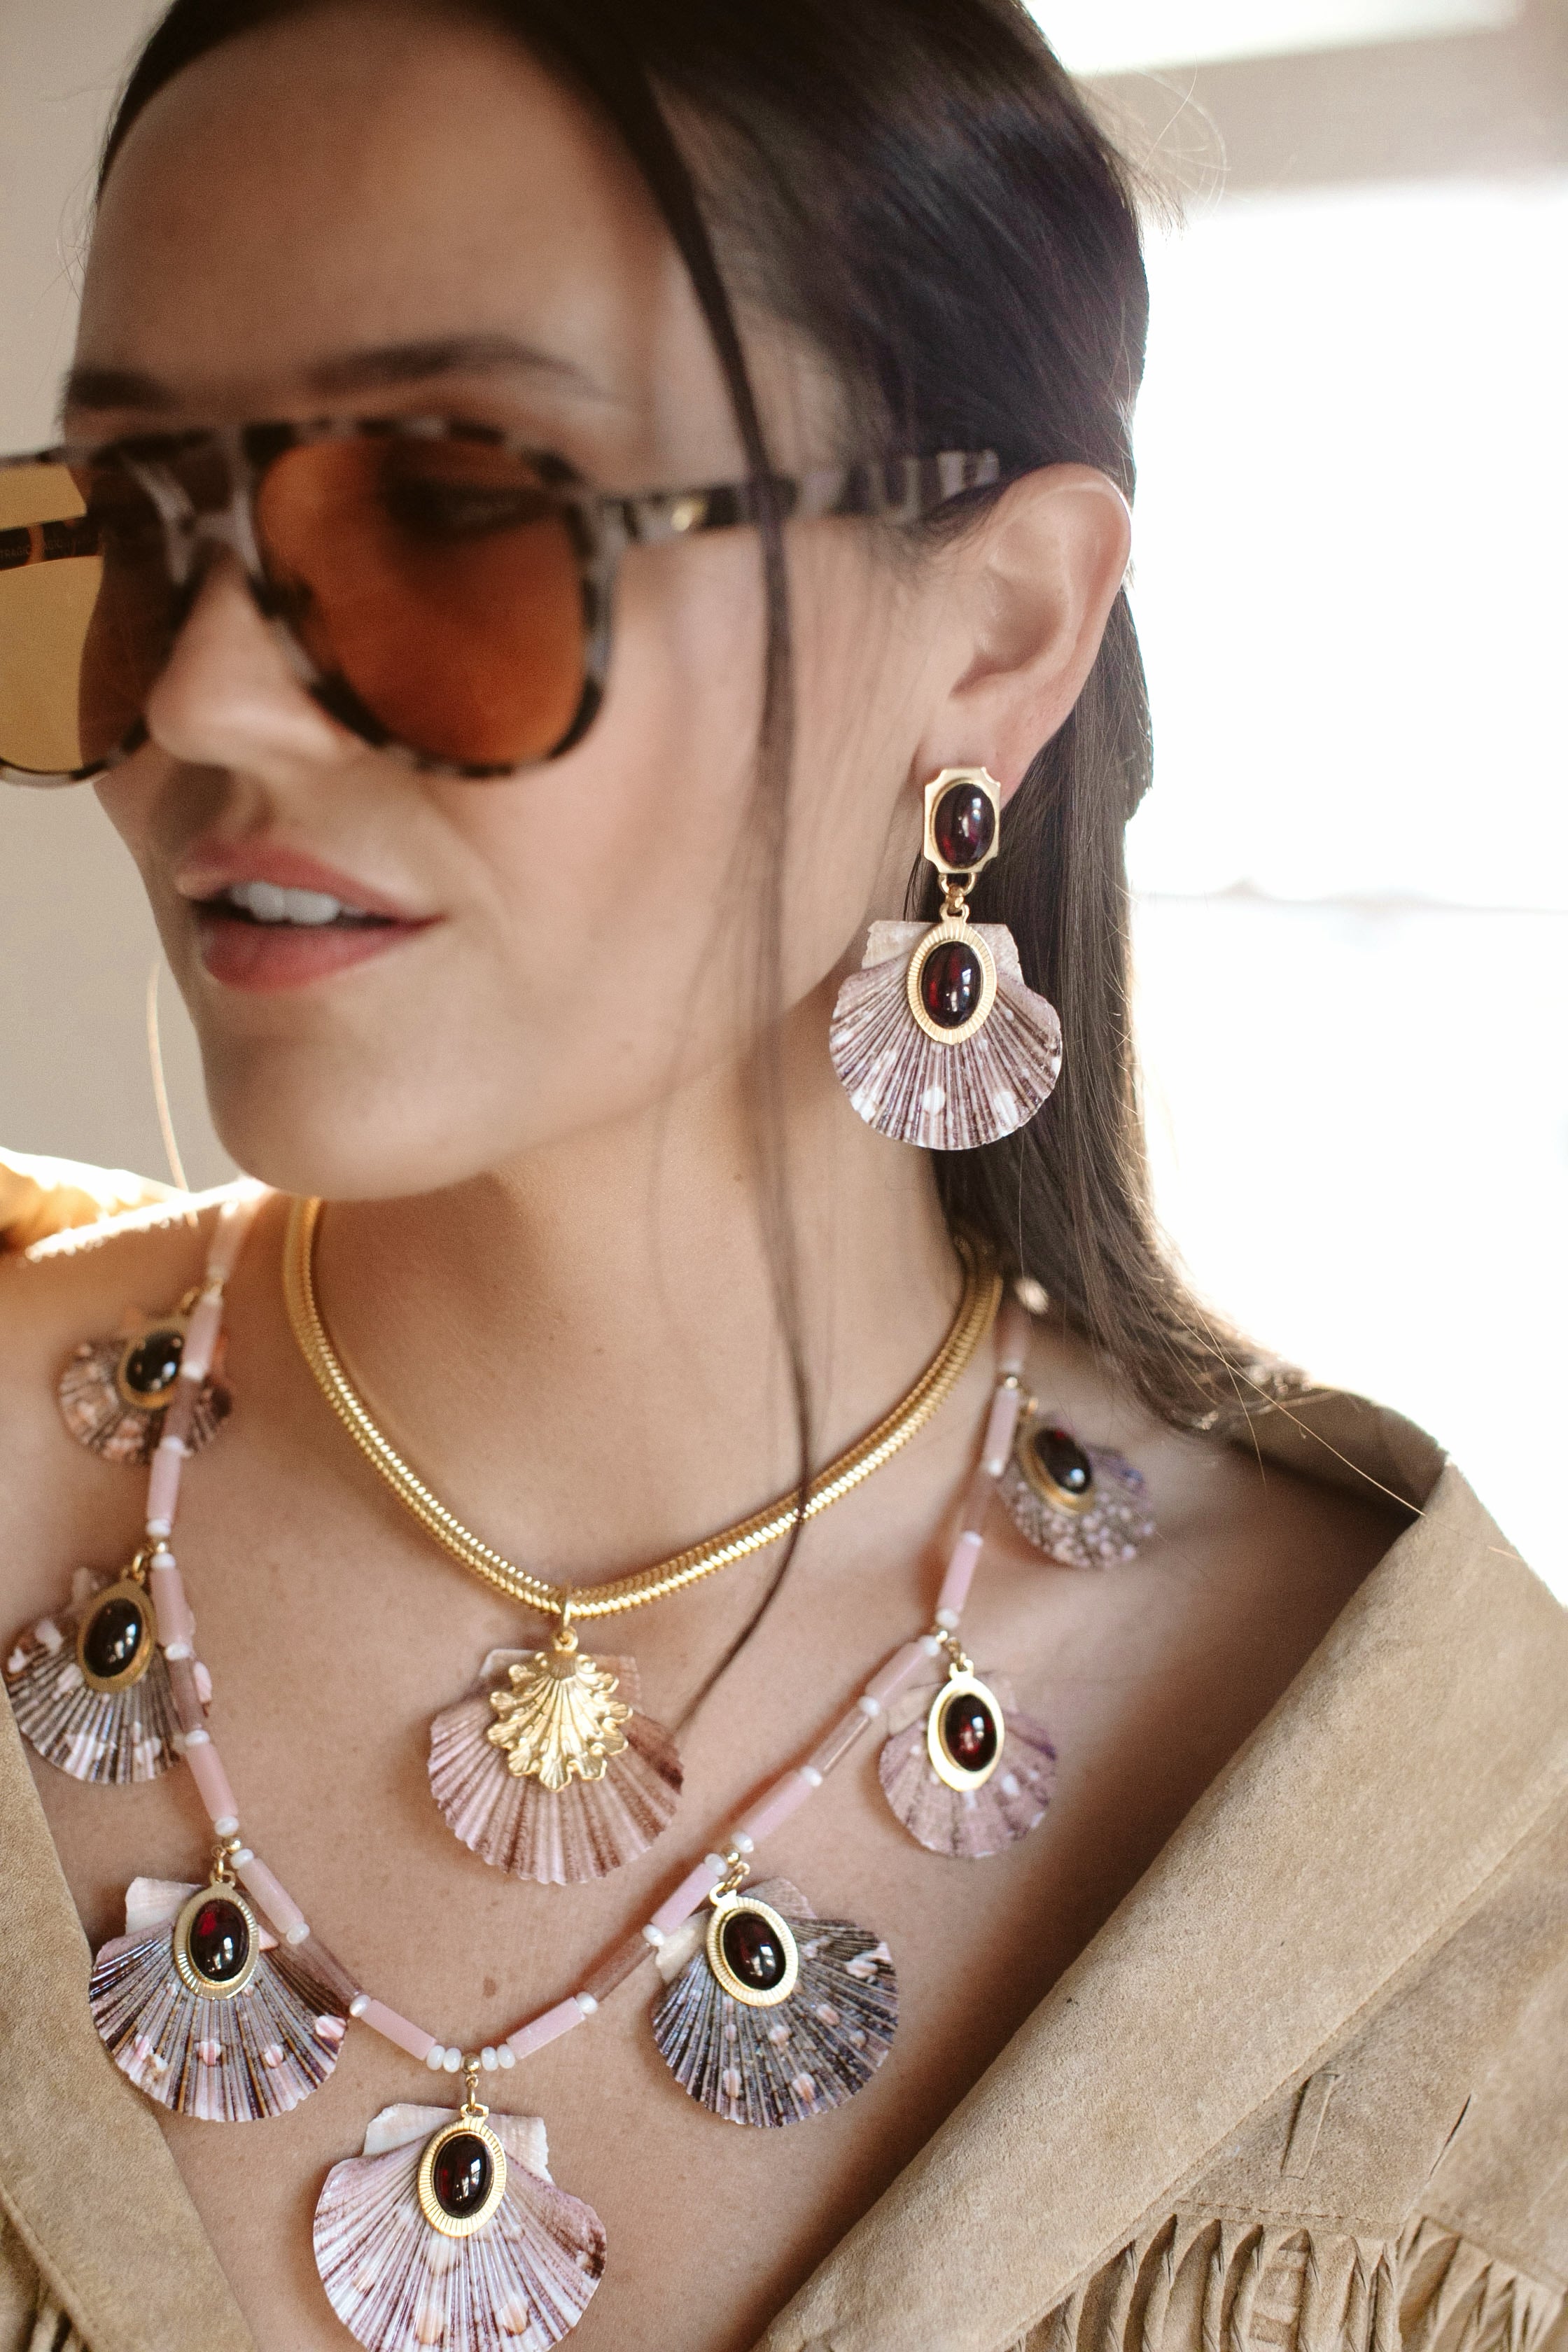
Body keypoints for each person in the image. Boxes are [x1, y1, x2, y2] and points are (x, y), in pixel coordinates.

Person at [1, 6, 1563, 2350]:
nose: (200, 700)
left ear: (1000, 631)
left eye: (458, 507)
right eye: (130, 526)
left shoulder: (1468, 1884)